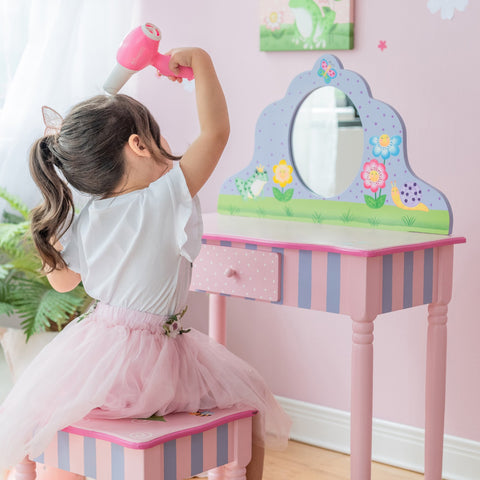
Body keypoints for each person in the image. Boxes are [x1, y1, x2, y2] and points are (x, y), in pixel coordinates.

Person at [0, 48, 290, 479]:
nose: (171, 146)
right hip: (153, 361)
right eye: (161, 135)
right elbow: (216, 133)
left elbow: (63, 286)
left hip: (94, 357)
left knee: (59, 426)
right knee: (250, 412)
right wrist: (204, 62)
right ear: (139, 145)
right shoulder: (162, 197)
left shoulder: (87, 215)